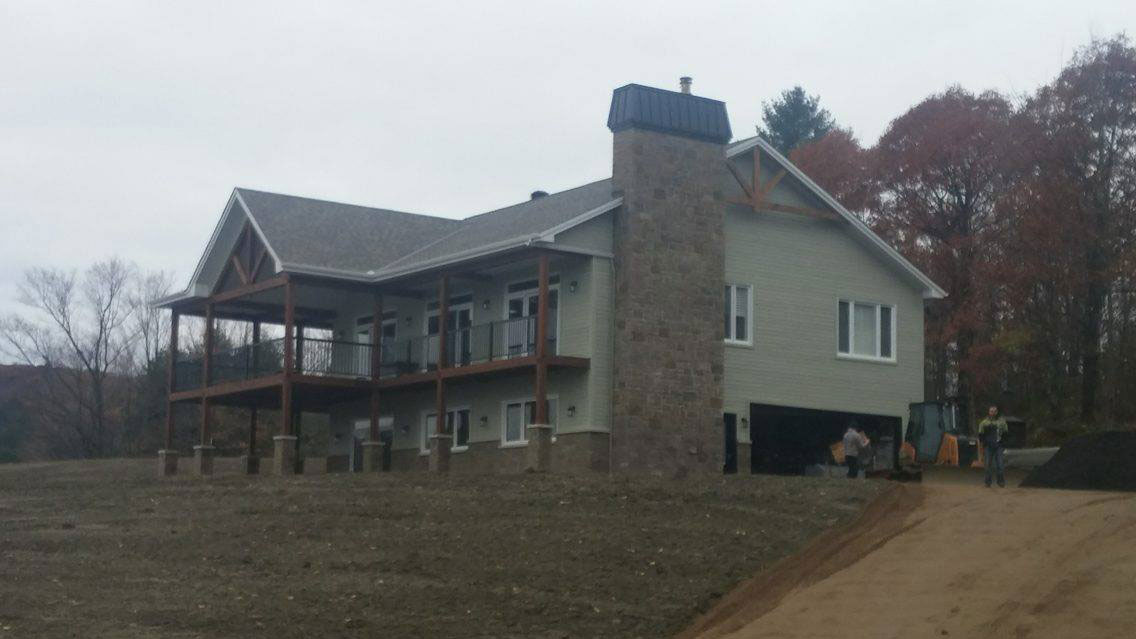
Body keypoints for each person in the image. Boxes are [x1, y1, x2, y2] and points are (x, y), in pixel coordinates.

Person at [977, 405, 1008, 487]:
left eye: (994, 411)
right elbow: (980, 435)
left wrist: (1004, 444)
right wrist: (983, 445)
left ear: (997, 412)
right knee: (987, 465)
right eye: (991, 411)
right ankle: (988, 482)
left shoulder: (1002, 422)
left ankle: (1001, 482)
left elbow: (1006, 434)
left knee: (1000, 465)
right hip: (988, 446)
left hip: (999, 446)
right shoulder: (984, 423)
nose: (993, 413)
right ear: (989, 412)